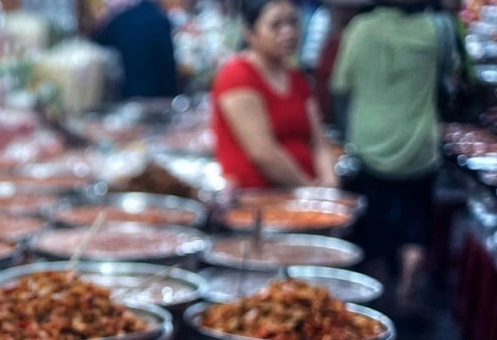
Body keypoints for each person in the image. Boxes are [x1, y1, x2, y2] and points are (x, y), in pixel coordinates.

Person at [331, 0, 440, 304]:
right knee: (416, 221)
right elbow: (450, 79)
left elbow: (341, 85)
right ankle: (407, 287)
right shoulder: (431, 30)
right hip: (420, 144)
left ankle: (375, 291)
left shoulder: (361, 29)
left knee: (375, 221)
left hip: (371, 144)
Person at [211, 0, 337, 189]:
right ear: (250, 33)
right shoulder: (237, 75)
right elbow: (264, 153)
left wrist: (329, 185)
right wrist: (309, 190)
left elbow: (318, 142)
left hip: (306, 197)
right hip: (261, 200)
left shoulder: (297, 78)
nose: (288, 32)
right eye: (276, 25)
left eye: (293, 22)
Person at [89, 0, 181, 99]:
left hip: (134, 92)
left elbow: (97, 41)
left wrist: (104, 19)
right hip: (164, 92)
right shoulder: (158, 15)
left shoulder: (120, 20)